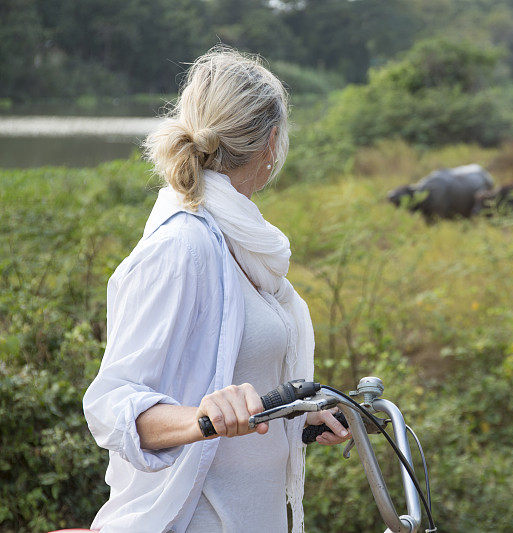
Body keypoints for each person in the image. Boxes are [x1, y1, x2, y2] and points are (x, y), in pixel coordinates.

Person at [82, 46, 349, 533]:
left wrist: (299, 418)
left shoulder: (241, 241)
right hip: (191, 521)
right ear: (271, 143)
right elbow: (110, 403)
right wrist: (199, 418)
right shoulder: (183, 246)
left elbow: (237, 381)